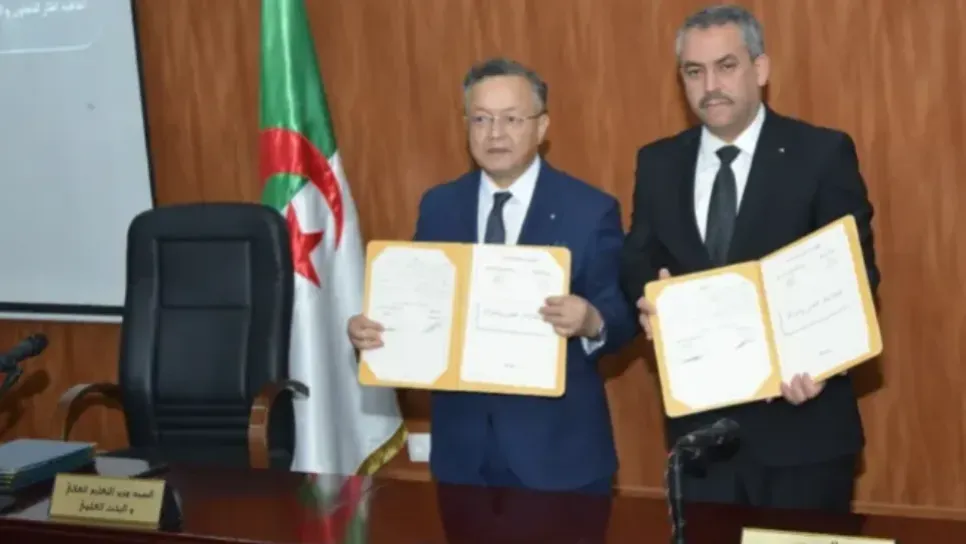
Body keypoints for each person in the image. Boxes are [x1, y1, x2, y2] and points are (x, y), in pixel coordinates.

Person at [620, 5, 880, 512]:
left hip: (802, 432)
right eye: (694, 71)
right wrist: (646, 299)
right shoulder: (657, 162)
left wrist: (823, 360)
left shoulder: (820, 153)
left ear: (760, 69)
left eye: (726, 66)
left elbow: (858, 278)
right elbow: (637, 256)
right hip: (701, 439)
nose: (710, 85)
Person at [348, 57, 637, 494]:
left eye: (511, 119)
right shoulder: (439, 206)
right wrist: (373, 331)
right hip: (462, 454)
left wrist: (591, 320)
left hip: (558, 457)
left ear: (542, 127)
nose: (495, 133)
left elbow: (621, 313)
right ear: (466, 126)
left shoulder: (588, 209)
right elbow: (421, 305)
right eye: (481, 119)